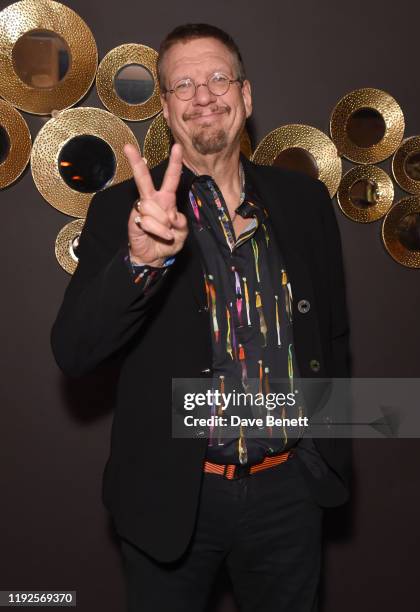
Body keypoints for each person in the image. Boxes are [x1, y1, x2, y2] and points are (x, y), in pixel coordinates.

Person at [51, 23, 352, 612]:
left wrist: (324, 454)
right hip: (173, 497)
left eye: (218, 78)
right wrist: (140, 262)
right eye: (182, 85)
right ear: (166, 109)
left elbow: (332, 339)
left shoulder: (304, 203)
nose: (203, 95)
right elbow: (74, 351)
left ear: (246, 96)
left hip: (288, 493)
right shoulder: (122, 211)